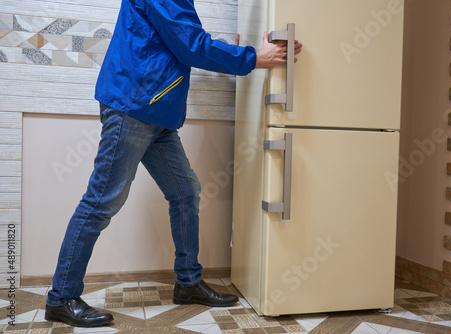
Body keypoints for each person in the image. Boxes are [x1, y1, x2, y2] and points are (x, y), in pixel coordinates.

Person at [43, 0, 302, 328]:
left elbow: (184, 41)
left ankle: (188, 283)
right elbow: (192, 45)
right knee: (102, 202)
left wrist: (237, 54)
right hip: (135, 107)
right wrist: (255, 58)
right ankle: (61, 298)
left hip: (157, 113)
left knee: (186, 192)